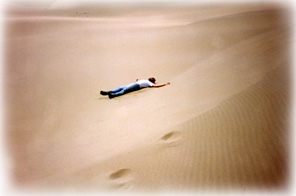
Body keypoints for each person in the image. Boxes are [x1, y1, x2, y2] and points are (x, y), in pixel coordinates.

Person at [100, 77, 170, 99]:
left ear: (153, 81)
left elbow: (156, 86)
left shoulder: (150, 83)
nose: (150, 78)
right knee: (120, 87)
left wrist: (164, 84)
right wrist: (137, 80)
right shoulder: (146, 80)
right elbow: (139, 81)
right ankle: (108, 92)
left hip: (136, 86)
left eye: (151, 79)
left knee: (124, 90)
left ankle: (113, 95)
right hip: (134, 84)